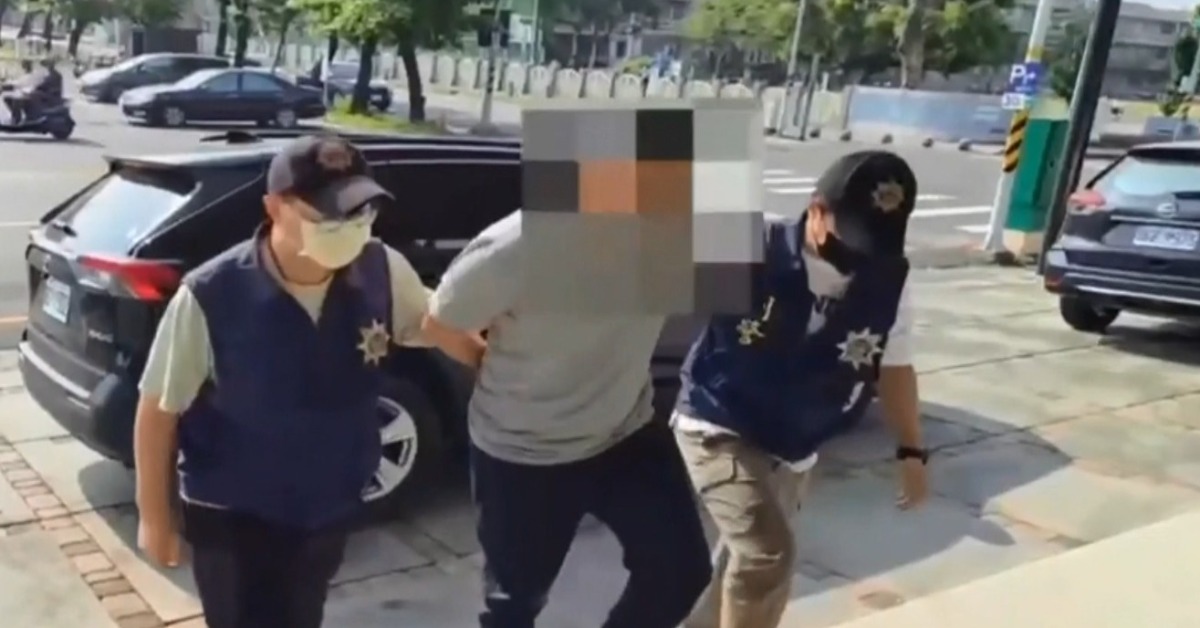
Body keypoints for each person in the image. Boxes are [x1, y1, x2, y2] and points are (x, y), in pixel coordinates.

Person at [133, 135, 476, 628]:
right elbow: (157, 410)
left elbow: (433, 325)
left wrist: (495, 361)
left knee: (301, 614)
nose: (348, 227)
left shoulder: (380, 269)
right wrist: (155, 518)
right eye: (328, 215)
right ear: (275, 208)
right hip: (234, 510)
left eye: (360, 212)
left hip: (327, 504)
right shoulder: (212, 294)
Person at [419, 103, 719, 626]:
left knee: (681, 571)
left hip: (623, 433)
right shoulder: (515, 247)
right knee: (515, 604)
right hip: (524, 450)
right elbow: (439, 322)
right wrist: (486, 362)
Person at [672, 150, 930, 628]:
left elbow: (894, 368)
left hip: (794, 443)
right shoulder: (754, 248)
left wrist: (912, 450)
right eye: (851, 236)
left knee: (745, 569)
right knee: (767, 556)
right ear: (816, 210)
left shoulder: (888, 281)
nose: (860, 255)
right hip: (719, 420)